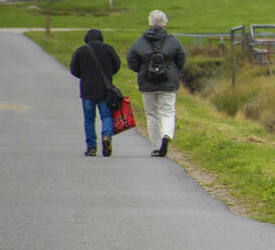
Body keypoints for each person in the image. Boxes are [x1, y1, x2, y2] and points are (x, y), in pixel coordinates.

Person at [127, 10, 187, 158]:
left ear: (150, 23)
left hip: (147, 83)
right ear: (164, 23)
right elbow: (181, 58)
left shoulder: (140, 42)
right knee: (167, 112)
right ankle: (167, 135)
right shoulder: (172, 41)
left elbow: (132, 60)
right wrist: (172, 69)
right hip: (168, 82)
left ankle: (156, 146)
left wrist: (141, 70)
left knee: (151, 114)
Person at [69, 28, 121, 157]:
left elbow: (74, 69)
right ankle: (106, 136)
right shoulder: (109, 49)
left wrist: (84, 76)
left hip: (87, 90)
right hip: (105, 90)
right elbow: (117, 65)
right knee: (106, 116)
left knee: (89, 119)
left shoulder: (81, 51)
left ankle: (91, 147)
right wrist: (109, 75)